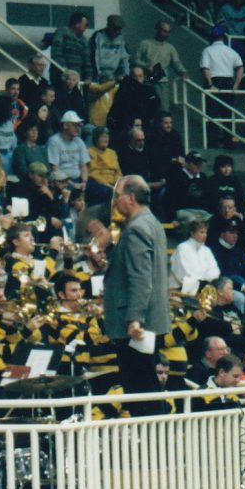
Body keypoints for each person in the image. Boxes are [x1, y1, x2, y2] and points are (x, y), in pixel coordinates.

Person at [104, 176, 170, 415]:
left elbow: (141, 278)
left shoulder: (136, 229)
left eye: (117, 195)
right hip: (150, 319)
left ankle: (151, 446)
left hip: (135, 324)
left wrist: (135, 319)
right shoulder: (153, 223)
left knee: (140, 389)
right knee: (147, 385)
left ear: (130, 198)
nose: (114, 202)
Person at [199, 25, 244, 147]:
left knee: (212, 115)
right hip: (229, 82)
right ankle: (228, 143)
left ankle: (212, 143)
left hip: (215, 81)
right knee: (227, 115)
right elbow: (240, 67)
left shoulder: (207, 50)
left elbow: (205, 68)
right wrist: (236, 85)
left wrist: (210, 84)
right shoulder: (231, 51)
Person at [134, 20, 188, 110]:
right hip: (148, 80)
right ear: (157, 30)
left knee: (163, 107)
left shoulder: (170, 48)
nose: (166, 34)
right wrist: (146, 66)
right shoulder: (145, 43)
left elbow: (176, 63)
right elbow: (136, 59)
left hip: (163, 82)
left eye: (168, 32)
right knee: (148, 107)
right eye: (164, 31)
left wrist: (183, 72)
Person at [46, 111, 90, 195]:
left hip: (79, 179)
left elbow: (83, 166)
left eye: (78, 125)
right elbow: (54, 169)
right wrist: (73, 184)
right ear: (65, 125)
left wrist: (84, 182)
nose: (78, 128)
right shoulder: (54, 141)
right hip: (62, 181)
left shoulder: (79, 141)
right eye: (74, 125)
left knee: (105, 190)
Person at [164, 151, 213, 226]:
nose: (199, 166)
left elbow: (208, 198)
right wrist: (172, 218)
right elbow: (169, 199)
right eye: (196, 163)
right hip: (183, 211)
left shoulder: (203, 177)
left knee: (213, 219)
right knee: (192, 220)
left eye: (200, 163)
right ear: (187, 163)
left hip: (201, 211)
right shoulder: (177, 176)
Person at [48, 11, 91, 84]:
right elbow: (56, 52)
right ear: (77, 24)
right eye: (85, 25)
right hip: (61, 76)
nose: (86, 28)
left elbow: (86, 61)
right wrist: (64, 69)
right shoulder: (61, 33)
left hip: (77, 78)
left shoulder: (84, 41)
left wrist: (88, 77)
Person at [87, 126, 121, 205]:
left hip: (114, 184)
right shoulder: (90, 151)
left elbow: (118, 171)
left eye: (107, 137)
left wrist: (117, 184)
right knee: (108, 192)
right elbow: (93, 173)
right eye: (103, 137)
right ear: (96, 139)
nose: (106, 139)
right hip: (99, 183)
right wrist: (108, 185)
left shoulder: (112, 152)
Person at [91, 14, 129, 82]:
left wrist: (125, 75)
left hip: (114, 75)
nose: (117, 32)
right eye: (115, 29)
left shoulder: (121, 38)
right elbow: (94, 57)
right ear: (109, 26)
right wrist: (97, 74)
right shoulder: (98, 36)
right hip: (99, 74)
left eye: (119, 29)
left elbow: (125, 59)